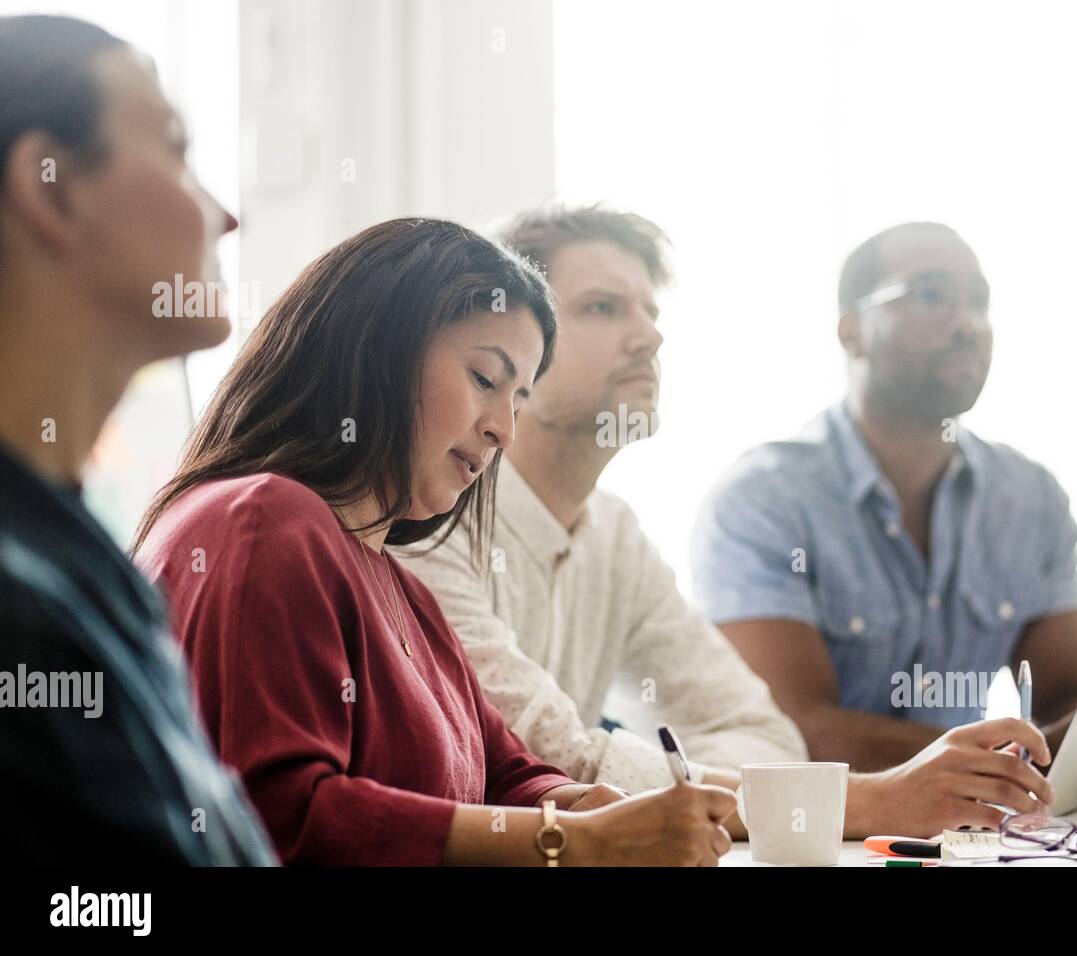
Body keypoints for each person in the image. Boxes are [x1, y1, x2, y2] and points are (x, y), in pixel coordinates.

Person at [402, 206, 1056, 838]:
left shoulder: (616, 534)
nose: (651, 336)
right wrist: (865, 802)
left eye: (650, 311)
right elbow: (555, 763)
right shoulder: (426, 520)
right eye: (603, 307)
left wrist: (679, 784)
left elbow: (766, 733)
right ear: (517, 341)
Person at [133, 217, 737, 865]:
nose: (503, 429)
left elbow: (507, 773)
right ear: (376, 348)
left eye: (520, 399)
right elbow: (285, 817)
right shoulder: (266, 521)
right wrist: (575, 841)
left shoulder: (401, 589)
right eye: (485, 379)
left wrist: (585, 805)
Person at [691, 221, 1077, 788]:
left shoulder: (1028, 497)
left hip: (969, 834)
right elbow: (795, 733)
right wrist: (1028, 756)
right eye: (932, 295)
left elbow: (1066, 700)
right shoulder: (762, 500)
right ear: (852, 332)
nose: (967, 324)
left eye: (979, 302)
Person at [0, 14, 275, 864]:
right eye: (176, 148)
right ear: (52, 188)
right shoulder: (21, 606)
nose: (225, 216)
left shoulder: (77, 561)